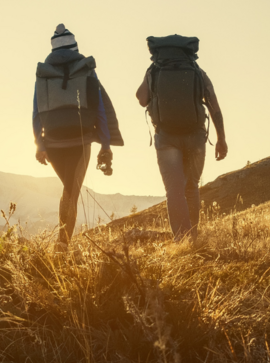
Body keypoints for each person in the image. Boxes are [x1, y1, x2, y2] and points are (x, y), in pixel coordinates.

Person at [32, 24, 121, 245]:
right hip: (80, 141)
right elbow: (99, 109)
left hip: (52, 143)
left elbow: (36, 112)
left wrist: (40, 145)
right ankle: (62, 246)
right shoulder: (86, 70)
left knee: (69, 189)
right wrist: (106, 144)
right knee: (71, 190)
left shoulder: (44, 73)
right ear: (75, 47)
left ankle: (63, 244)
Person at [135, 35, 225, 240]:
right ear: (189, 52)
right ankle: (193, 236)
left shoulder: (154, 71)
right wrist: (221, 139)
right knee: (191, 187)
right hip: (195, 136)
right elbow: (214, 107)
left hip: (166, 138)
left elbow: (141, 99)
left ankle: (181, 239)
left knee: (174, 191)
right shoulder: (197, 72)